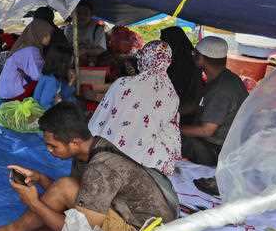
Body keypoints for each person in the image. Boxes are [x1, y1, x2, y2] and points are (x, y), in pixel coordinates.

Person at [0, 102, 179, 231]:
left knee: (67, 191)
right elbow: (76, 198)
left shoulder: (102, 167)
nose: (49, 151)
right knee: (68, 190)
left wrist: (33, 202)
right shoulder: (90, 149)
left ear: (74, 142)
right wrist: (41, 178)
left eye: (53, 146)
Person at [88, 40, 182, 175]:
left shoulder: (123, 83)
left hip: (110, 153)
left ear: (145, 57)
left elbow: (98, 122)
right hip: (148, 162)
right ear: (168, 61)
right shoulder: (172, 96)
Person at [180, 36, 248, 166]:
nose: (192, 56)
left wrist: (173, 129)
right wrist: (173, 113)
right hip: (216, 142)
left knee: (169, 138)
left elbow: (206, 130)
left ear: (201, 59)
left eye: (195, 54)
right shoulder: (222, 77)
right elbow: (197, 104)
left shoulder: (222, 89)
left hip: (217, 151)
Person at [0, 19, 53, 100]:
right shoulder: (32, 50)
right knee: (47, 81)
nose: (49, 38)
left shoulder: (24, 44)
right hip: (12, 93)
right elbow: (37, 75)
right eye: (46, 35)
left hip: (3, 89)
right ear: (38, 35)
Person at [160, 26, 203, 119]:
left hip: (181, 111)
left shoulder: (180, 63)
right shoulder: (191, 58)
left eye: (164, 41)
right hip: (188, 110)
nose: (162, 46)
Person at [33, 45, 76, 110]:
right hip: (43, 113)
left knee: (72, 100)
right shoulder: (51, 81)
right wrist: (56, 103)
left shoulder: (55, 75)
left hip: (49, 108)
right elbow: (43, 105)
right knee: (71, 102)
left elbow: (62, 94)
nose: (70, 68)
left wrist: (71, 82)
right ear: (62, 65)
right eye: (69, 65)